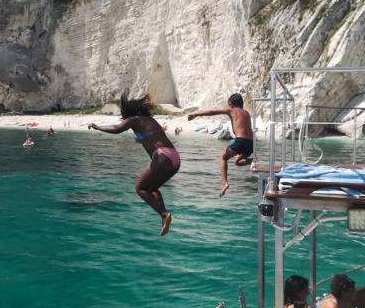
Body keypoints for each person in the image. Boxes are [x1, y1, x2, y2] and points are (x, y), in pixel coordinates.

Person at [88, 90, 180, 236]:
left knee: (140, 188)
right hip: (174, 158)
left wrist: (97, 127)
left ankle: (164, 213)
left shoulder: (135, 120)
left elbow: (116, 129)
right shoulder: (149, 119)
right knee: (151, 187)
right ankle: (164, 215)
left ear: (128, 112)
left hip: (163, 157)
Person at [187, 93, 253, 196]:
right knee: (238, 161)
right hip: (250, 143)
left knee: (223, 158)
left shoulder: (232, 110)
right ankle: (252, 161)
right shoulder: (247, 113)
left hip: (240, 141)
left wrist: (196, 114)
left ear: (231, 104)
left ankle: (224, 183)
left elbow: (212, 112)